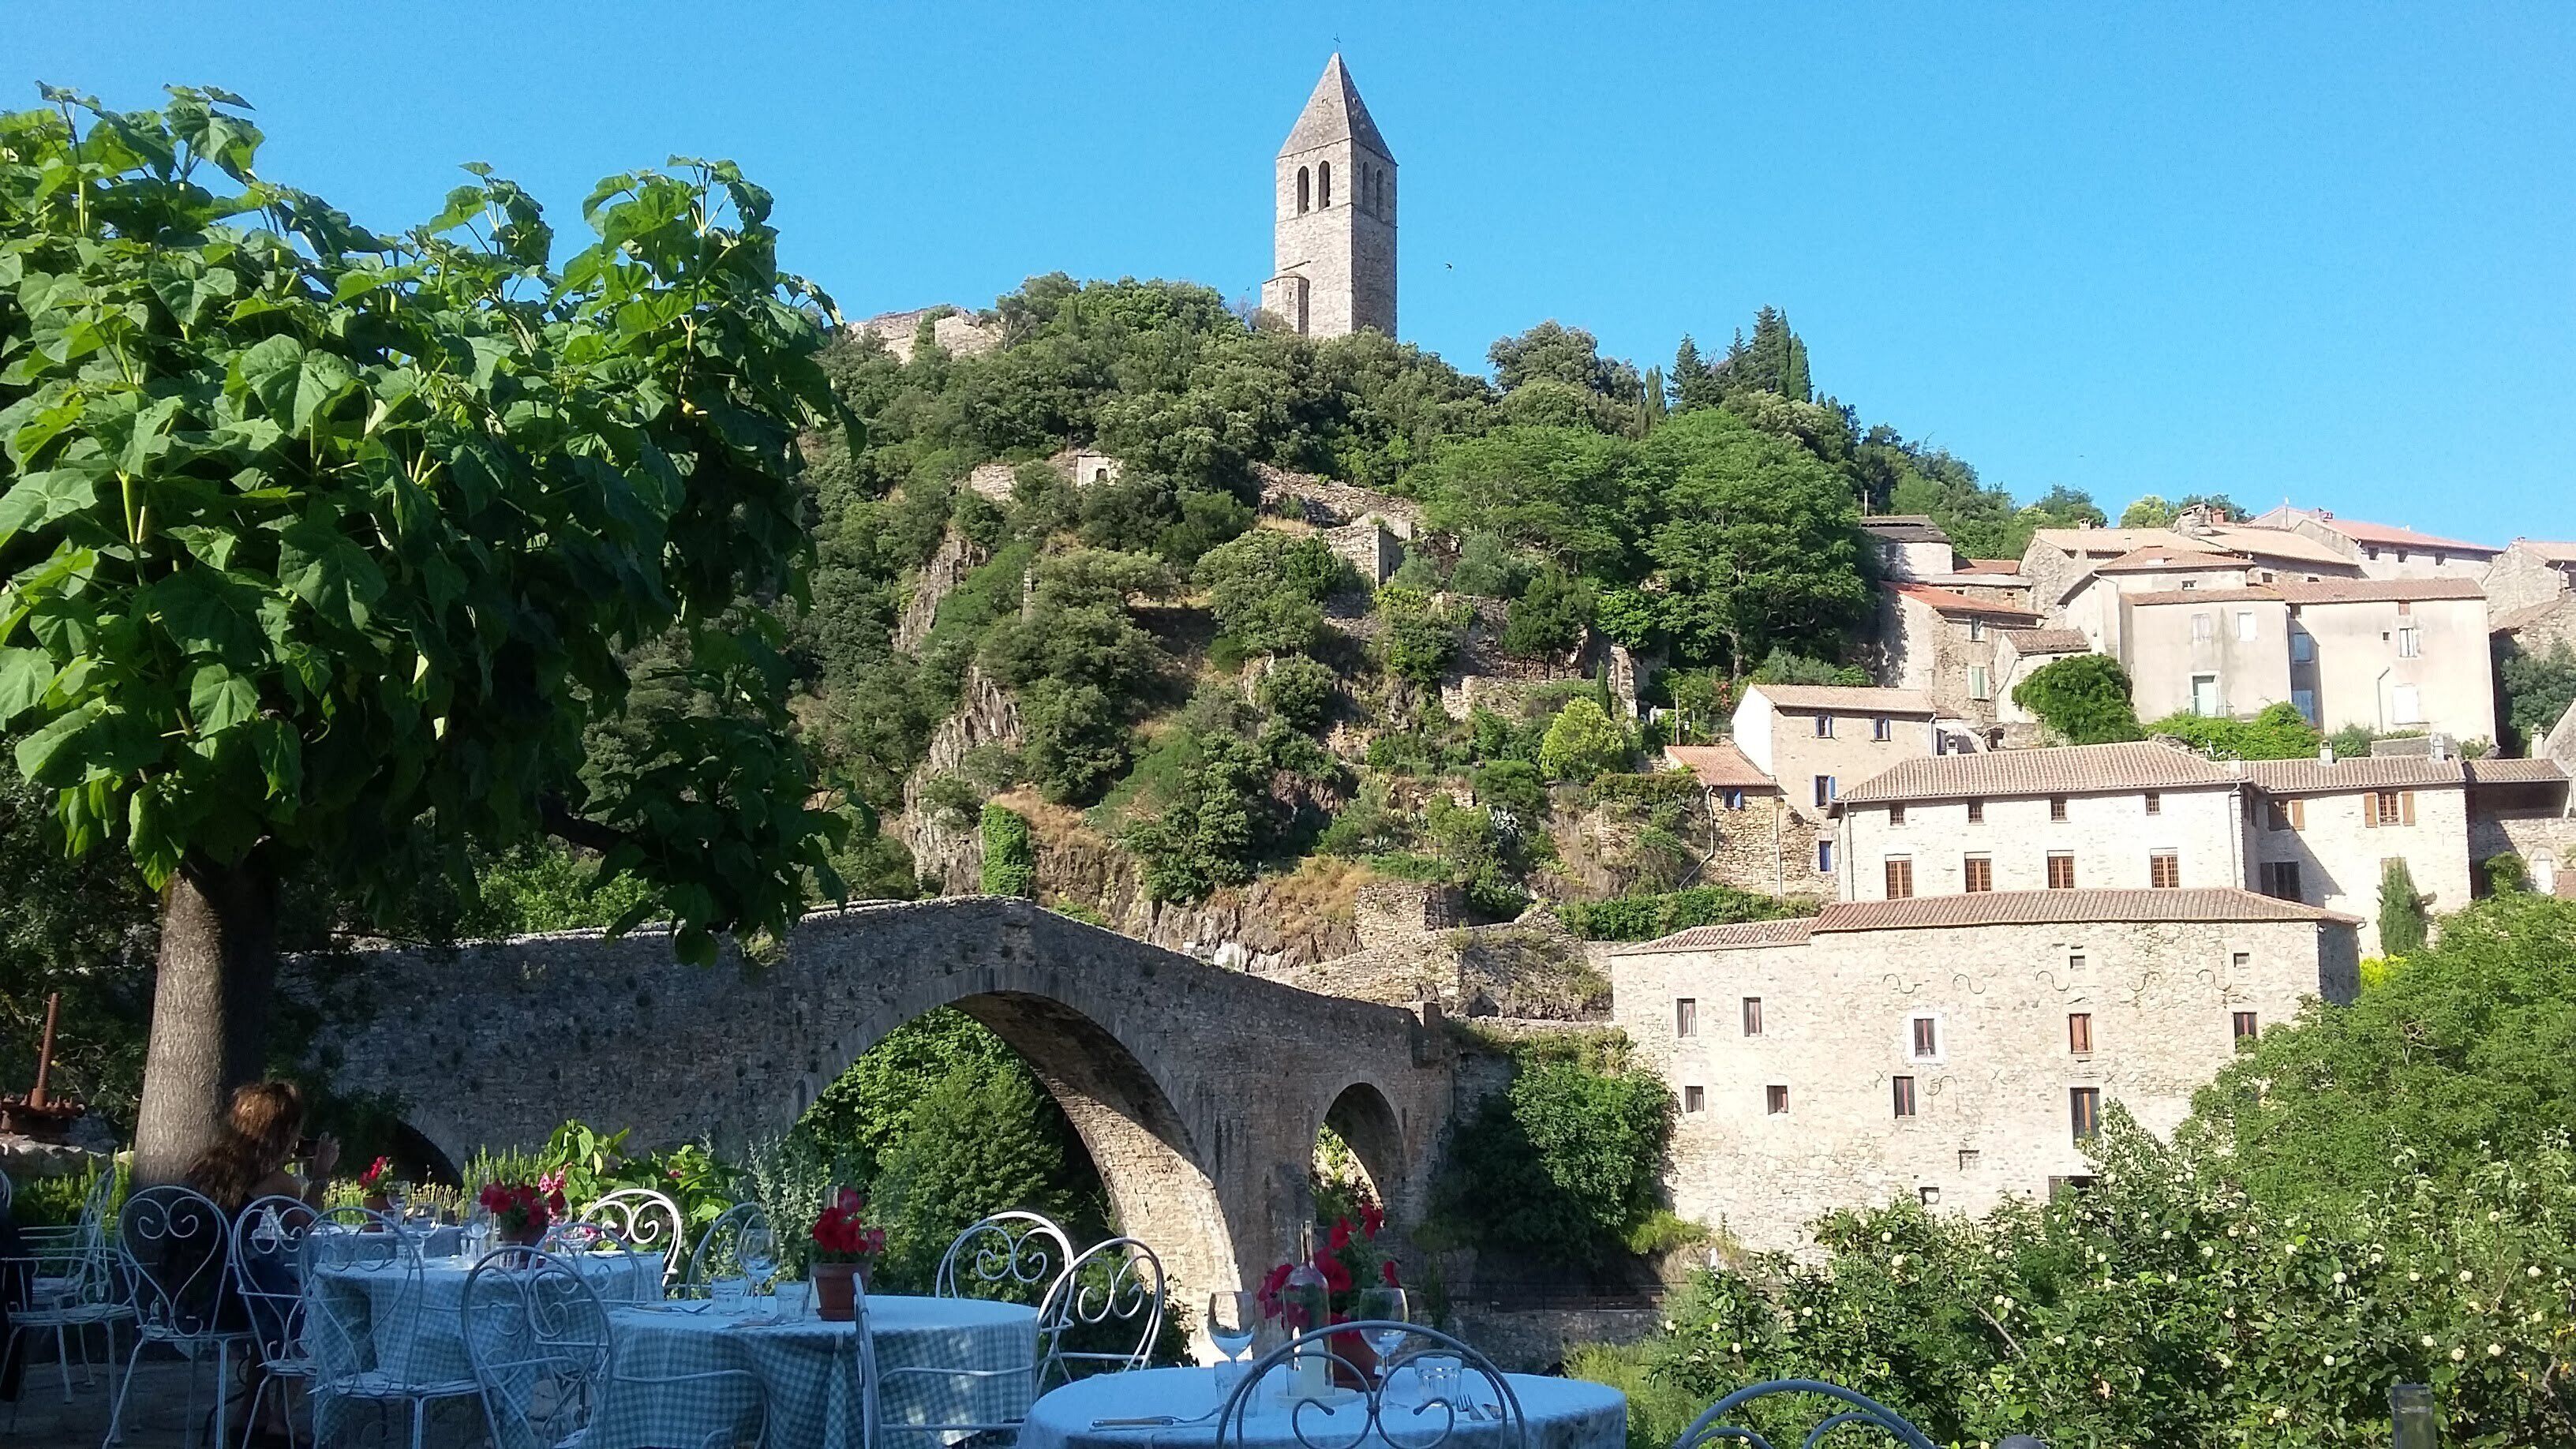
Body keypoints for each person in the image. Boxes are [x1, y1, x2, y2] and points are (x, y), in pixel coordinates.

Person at [182, 1081, 339, 1447]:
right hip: (226, 1302)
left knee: (270, 1294)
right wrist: (320, 1174)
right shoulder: (277, 1180)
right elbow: (302, 1229)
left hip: (187, 1294)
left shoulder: (207, 1166)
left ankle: (250, 1415)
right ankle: (281, 1423)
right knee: (307, 1308)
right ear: (282, 1131)